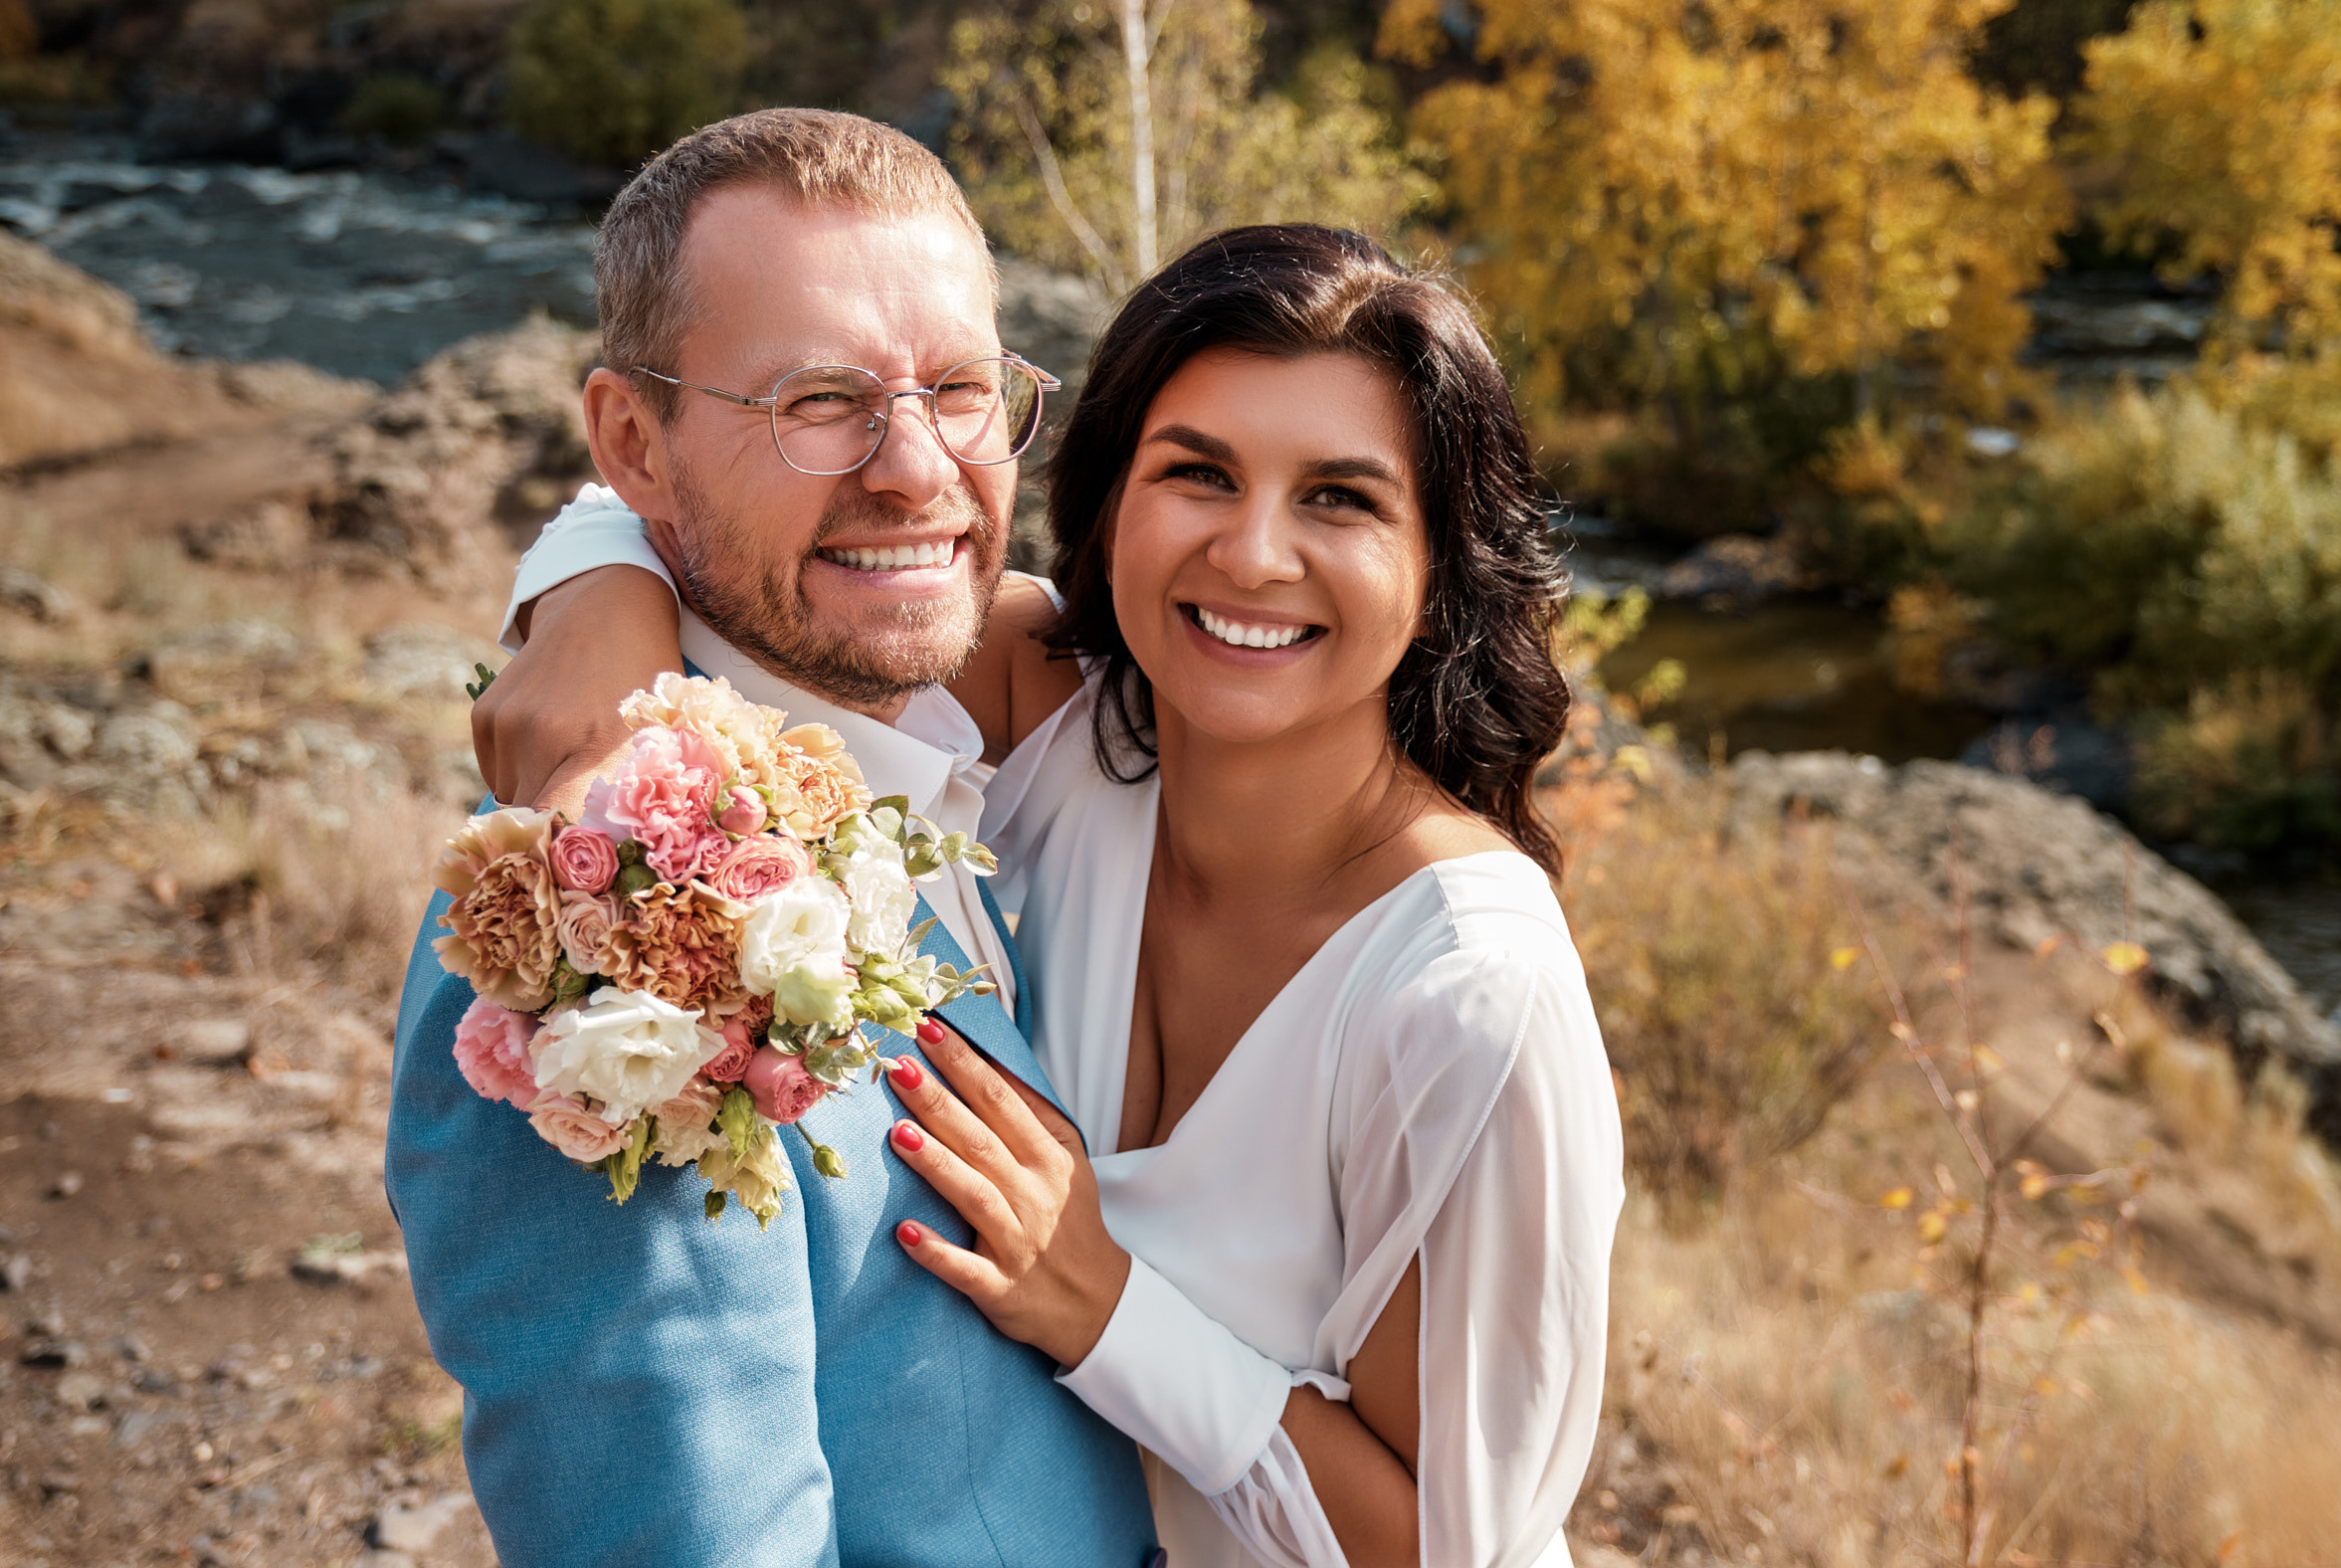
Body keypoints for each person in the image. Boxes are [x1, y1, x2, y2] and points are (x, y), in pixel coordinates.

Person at [487, 224, 1626, 1567]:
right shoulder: (1080, 726)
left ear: (1441, 568)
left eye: (1342, 499)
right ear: (1111, 504)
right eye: (1198, 474)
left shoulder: (1465, 1000)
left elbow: (1451, 1548)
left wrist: (1102, 1306)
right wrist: (594, 605)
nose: (1254, 557)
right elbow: (731, 527)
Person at [386, 107, 1161, 1568]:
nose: (917, 469)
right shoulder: (598, 941)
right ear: (633, 439)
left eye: (960, 387)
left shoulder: (982, 729)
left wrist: (584, 562)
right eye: (819, 400)